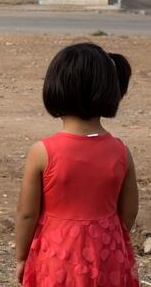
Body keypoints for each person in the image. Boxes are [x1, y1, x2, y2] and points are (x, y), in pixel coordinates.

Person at [15, 43, 139, 286]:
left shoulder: (42, 152)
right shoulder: (121, 152)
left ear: (56, 89)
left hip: (57, 256)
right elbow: (129, 213)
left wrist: (21, 257)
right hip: (108, 256)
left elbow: (27, 214)